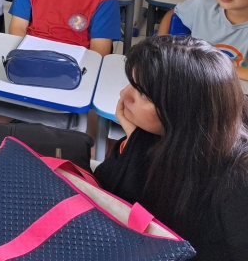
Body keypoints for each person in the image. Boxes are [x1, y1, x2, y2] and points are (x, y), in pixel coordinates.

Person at [95, 36, 248, 259]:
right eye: (131, 84)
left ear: (184, 111)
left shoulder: (237, 181)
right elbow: (107, 194)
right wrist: (133, 140)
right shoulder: (157, 136)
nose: (124, 95)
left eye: (143, 94)